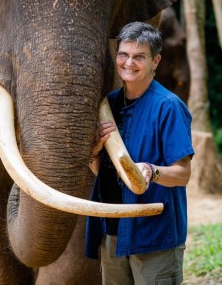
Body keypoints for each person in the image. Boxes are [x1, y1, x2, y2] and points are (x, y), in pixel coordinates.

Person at [85, 21, 193, 285]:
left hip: (153, 237)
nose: (129, 63)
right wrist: (94, 154)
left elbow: (182, 174)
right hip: (112, 231)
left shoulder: (168, 107)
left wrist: (152, 171)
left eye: (139, 57)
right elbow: (107, 174)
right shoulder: (108, 104)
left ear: (155, 61)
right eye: (123, 54)